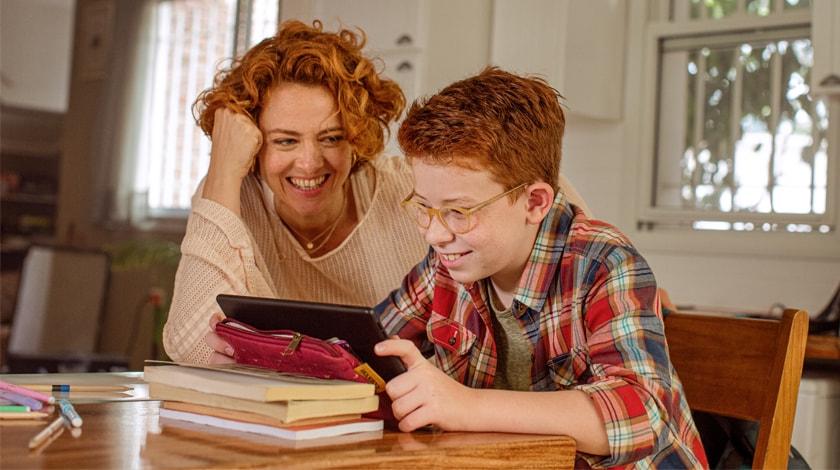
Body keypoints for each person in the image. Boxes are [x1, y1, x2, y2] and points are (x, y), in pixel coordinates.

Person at [163, 21, 592, 365]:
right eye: (285, 141)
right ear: (255, 147)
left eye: (331, 138)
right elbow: (192, 345)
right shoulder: (231, 195)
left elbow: (552, 208)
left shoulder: (418, 189)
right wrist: (220, 172)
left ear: (357, 138)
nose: (310, 164)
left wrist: (606, 277)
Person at [372, 68, 708, 467]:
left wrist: (466, 405)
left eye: (459, 212)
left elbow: (641, 414)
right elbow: (370, 344)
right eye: (425, 208)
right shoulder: (450, 263)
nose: (435, 234)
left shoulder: (602, 262)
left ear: (535, 202)